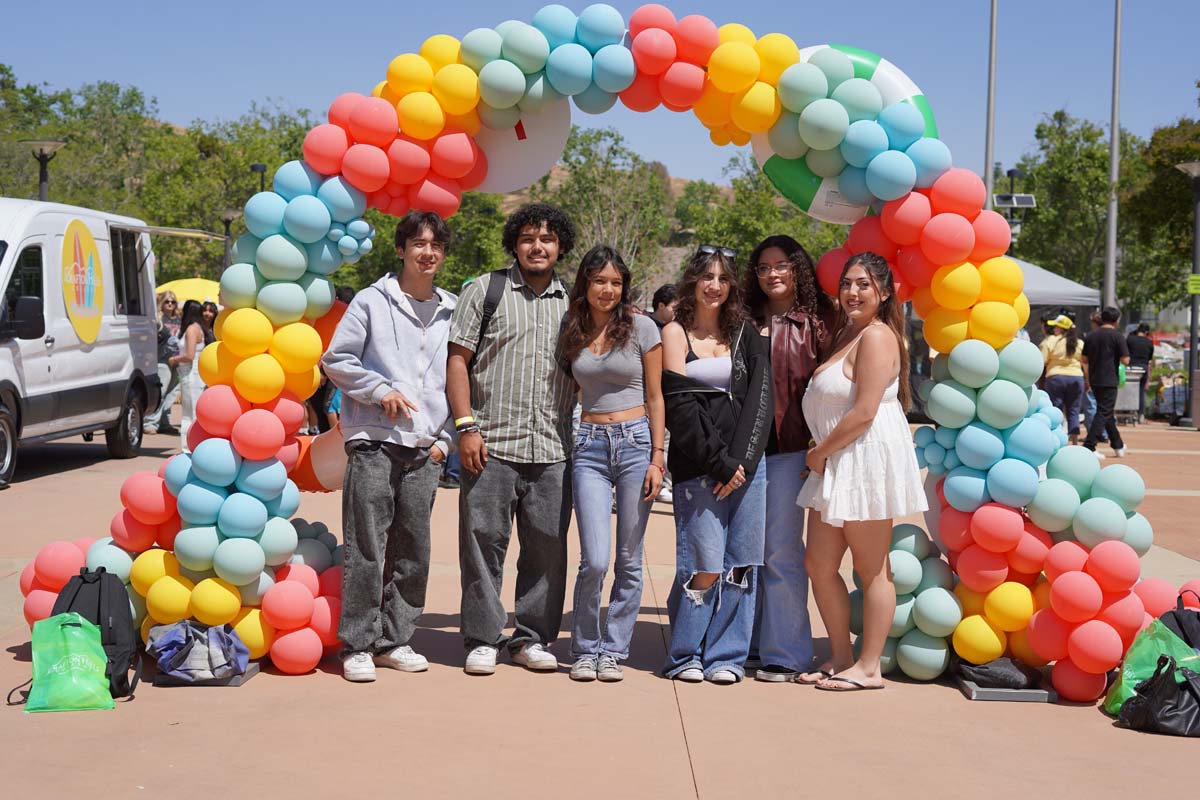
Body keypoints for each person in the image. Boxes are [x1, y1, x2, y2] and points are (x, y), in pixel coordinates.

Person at [321, 210, 456, 682]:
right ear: (401, 250)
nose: (428, 252)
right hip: (376, 441)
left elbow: (463, 380)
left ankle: (396, 639)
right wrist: (380, 391)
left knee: (414, 550)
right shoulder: (371, 302)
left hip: (427, 447)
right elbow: (335, 359)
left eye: (436, 245)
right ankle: (357, 644)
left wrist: (446, 441)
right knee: (368, 547)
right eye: (418, 244)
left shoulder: (453, 309)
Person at [446, 202, 578, 675]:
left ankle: (531, 639)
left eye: (546, 238)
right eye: (527, 238)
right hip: (490, 445)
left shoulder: (576, 299)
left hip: (553, 447)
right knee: (483, 544)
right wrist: (465, 427)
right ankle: (483, 637)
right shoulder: (486, 290)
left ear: (561, 245)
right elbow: (458, 359)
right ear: (514, 244)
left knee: (547, 548)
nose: (537, 246)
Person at [798, 252, 927, 692]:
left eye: (864, 285)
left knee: (872, 569)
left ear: (884, 292)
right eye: (848, 283)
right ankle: (840, 656)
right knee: (818, 563)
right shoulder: (848, 334)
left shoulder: (876, 337)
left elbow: (866, 411)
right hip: (836, 460)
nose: (853, 292)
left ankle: (869, 667)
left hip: (862, 460)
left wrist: (819, 454)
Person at [661, 245, 773, 685]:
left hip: (748, 468)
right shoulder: (674, 333)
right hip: (699, 467)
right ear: (693, 281)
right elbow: (680, 407)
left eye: (723, 278)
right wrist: (720, 464)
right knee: (703, 564)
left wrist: (742, 463)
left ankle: (726, 657)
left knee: (742, 563)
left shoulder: (747, 333)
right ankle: (685, 654)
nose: (715, 286)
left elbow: (760, 402)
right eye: (707, 277)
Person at [559, 245, 665, 683]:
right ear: (585, 282)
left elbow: (656, 396)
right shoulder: (572, 328)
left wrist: (659, 456)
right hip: (589, 445)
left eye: (616, 282)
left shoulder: (642, 326)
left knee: (629, 558)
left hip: (637, 443)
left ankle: (614, 649)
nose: (607, 289)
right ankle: (584, 648)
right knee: (595, 559)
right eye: (600, 280)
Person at [743, 235, 835, 682]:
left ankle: (787, 653)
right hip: (743, 453)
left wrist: (821, 448)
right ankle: (750, 644)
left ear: (798, 268)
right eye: (763, 267)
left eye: (781, 265)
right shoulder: (742, 319)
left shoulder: (820, 322)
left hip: (791, 452)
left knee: (780, 552)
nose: (772, 274)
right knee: (746, 551)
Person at [1082, 305, 1130, 457]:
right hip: (1109, 379)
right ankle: (1089, 445)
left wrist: (1087, 378)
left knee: (1106, 412)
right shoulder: (1117, 336)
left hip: (1095, 379)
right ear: (1116, 320)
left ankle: (1118, 445)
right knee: (1104, 411)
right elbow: (1126, 359)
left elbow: (1084, 359)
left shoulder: (1091, 336)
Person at [1040, 314, 1086, 445]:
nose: (1054, 327)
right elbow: (1084, 361)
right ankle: (1075, 441)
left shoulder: (1050, 341)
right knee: (1074, 410)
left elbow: (1042, 361)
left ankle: (1057, 440)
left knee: (1056, 409)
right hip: (1076, 378)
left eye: (1056, 325)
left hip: (1055, 378)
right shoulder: (1079, 343)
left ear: (1061, 328)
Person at [170, 300, 207, 452]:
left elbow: (190, 355)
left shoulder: (191, 330)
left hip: (191, 374)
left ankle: (188, 447)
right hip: (194, 374)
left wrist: (174, 359)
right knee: (192, 411)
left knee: (189, 414)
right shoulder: (199, 328)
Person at [144, 291, 182, 436]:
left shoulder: (179, 319)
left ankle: (164, 422)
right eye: (167, 301)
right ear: (162, 303)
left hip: (177, 360)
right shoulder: (158, 320)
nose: (170, 304)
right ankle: (150, 422)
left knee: (172, 393)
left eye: (173, 302)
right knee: (161, 392)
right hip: (161, 360)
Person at [1126, 322, 1155, 422]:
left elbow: (1125, 353)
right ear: (1146, 332)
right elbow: (1150, 358)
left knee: (1129, 390)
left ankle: (1129, 412)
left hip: (1131, 368)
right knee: (1141, 391)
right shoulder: (1149, 342)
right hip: (1143, 368)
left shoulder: (1130, 339)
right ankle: (1141, 414)